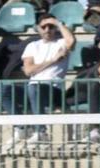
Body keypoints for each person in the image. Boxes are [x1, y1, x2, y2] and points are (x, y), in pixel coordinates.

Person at [6, 14, 74, 144]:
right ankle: (21, 128)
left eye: (51, 26)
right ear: (38, 28)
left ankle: (41, 132)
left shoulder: (61, 43)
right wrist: (53, 60)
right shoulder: (32, 45)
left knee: (34, 87)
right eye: (44, 26)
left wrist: (58, 22)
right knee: (5, 91)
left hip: (53, 90)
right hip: (34, 89)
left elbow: (71, 41)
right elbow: (28, 70)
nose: (47, 29)